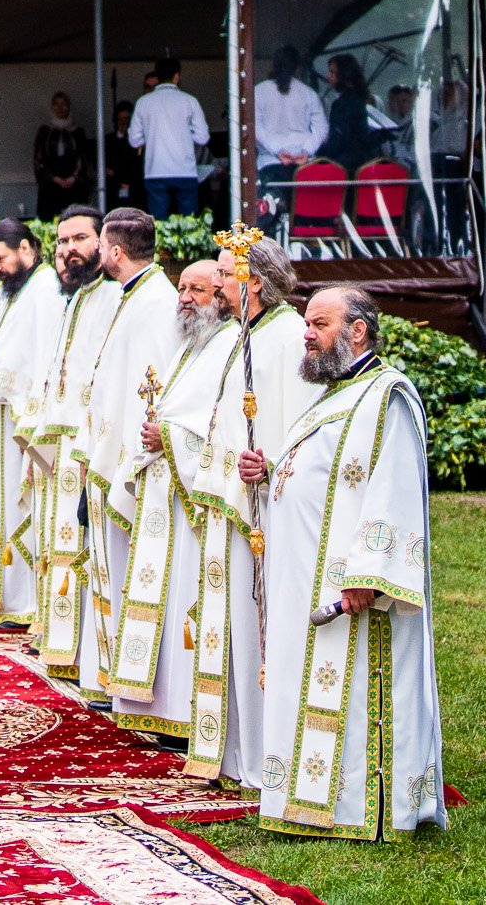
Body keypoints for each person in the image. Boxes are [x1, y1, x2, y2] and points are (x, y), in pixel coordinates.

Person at [249, 286, 444, 839]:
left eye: (318, 323)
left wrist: (368, 575)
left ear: (357, 330)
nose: (305, 333)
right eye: (307, 323)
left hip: (349, 586)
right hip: (304, 580)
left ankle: (361, 807)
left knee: (356, 687)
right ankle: (305, 798)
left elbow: (395, 487)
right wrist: (269, 473)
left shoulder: (388, 396)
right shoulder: (337, 394)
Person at [181, 240, 314, 785]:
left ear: (254, 282)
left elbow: (305, 424)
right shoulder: (245, 334)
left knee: (256, 628)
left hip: (260, 510)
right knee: (229, 630)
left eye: (224, 275)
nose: (217, 285)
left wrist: (274, 464)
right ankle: (233, 753)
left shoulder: (284, 337)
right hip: (228, 503)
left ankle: (266, 758)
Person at [116, 261, 231, 745]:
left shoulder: (226, 344)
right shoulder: (188, 344)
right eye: (181, 288)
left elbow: (219, 424)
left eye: (197, 289)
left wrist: (170, 436)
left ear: (219, 296)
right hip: (164, 492)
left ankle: (187, 715)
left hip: (193, 500)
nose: (184, 297)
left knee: (186, 599)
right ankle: (158, 705)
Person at [73, 208, 180, 706]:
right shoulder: (134, 295)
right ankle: (110, 678)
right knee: (108, 571)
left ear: (114, 250)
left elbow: (153, 389)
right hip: (111, 452)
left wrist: (135, 459)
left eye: (101, 247)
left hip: (135, 460)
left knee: (126, 569)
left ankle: (130, 684)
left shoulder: (155, 301)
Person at [26, 205, 119, 675]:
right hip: (60, 442)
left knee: (80, 545)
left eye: (79, 239)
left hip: (86, 444)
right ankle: (59, 638)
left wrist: (86, 449)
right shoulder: (77, 296)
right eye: (62, 242)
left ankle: (83, 652)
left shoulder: (113, 297)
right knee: (55, 541)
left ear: (103, 243)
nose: (69, 250)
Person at [0, 219, 58, 626]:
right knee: (2, 508)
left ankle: (25, 601)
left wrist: (34, 419)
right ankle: (5, 595)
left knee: (20, 509)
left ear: (25, 248)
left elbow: (42, 356)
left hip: (20, 417)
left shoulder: (44, 287)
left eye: (0, 259)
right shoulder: (18, 289)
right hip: (0, 415)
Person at [128, 59, 209, 220]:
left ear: (157, 77)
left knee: (158, 225)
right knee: (190, 224)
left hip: (155, 171)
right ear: (177, 76)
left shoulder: (143, 102)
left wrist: (150, 136)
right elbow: (203, 137)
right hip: (185, 171)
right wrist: (184, 135)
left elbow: (134, 140)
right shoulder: (189, 101)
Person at [255, 47, 329, 216]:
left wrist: (278, 151)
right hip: (304, 165)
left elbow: (256, 129)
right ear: (297, 67)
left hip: (271, 163)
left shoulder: (259, 92)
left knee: (271, 217)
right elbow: (322, 127)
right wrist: (306, 151)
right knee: (303, 216)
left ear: (273, 64)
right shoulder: (308, 93)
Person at [33, 91, 94, 218]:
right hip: (51, 181)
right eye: (57, 104)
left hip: (72, 181)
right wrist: (53, 178)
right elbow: (39, 159)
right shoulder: (45, 132)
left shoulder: (77, 132)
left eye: (64, 104)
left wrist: (73, 177)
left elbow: (83, 157)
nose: (60, 108)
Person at [321, 53, 377, 174]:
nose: (328, 76)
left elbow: (338, 139)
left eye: (332, 72)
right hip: (361, 161)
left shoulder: (341, 104)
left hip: (345, 165)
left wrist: (323, 156)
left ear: (342, 75)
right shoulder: (358, 99)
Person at [104, 100, 143, 209]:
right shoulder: (108, 140)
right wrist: (118, 178)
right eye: (120, 119)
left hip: (135, 187)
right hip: (113, 188)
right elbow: (104, 165)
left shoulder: (138, 141)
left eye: (126, 119)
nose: (123, 122)